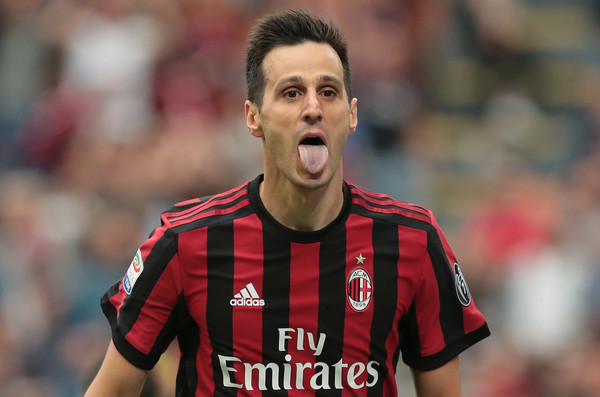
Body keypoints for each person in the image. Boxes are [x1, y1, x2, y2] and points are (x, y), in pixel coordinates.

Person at [85, 10, 490, 396]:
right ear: (254, 117)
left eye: (328, 92)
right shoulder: (183, 241)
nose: (312, 108)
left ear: (351, 115)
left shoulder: (413, 242)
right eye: (292, 92)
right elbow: (113, 390)